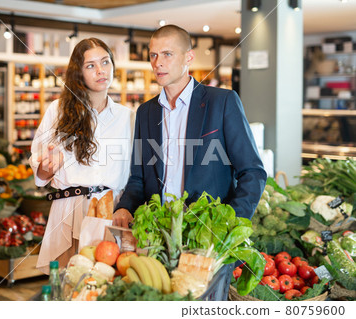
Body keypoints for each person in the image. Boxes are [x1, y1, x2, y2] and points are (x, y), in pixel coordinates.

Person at [114, 25, 267, 228]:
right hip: (159, 235)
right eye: (153, 55)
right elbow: (138, 178)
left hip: (209, 235)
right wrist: (125, 207)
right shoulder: (145, 112)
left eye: (167, 54)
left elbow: (252, 172)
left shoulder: (222, 102)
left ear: (189, 57)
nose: (158, 63)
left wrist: (231, 225)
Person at [29, 38, 134, 274]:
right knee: (69, 291)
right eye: (91, 66)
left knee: (107, 288)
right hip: (69, 210)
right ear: (79, 72)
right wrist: (47, 166)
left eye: (105, 62)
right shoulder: (58, 111)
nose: (100, 71)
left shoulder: (128, 117)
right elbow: (40, 171)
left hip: (112, 211)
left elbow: (135, 174)